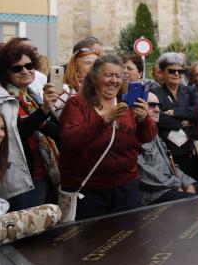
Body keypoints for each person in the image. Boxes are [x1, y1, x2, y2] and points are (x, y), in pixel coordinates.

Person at [59, 56, 157, 219]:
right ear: (95, 77)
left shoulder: (128, 102)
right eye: (109, 75)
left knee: (126, 238)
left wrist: (143, 119)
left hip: (126, 186)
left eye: (118, 76)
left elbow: (148, 137)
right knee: (90, 242)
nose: (114, 80)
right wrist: (104, 119)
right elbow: (70, 140)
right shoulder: (78, 104)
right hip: (88, 188)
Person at [0, 40, 60, 210]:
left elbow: (56, 131)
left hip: (48, 171)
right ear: (5, 73)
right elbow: (18, 132)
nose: (25, 70)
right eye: (17, 68)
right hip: (24, 179)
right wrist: (44, 110)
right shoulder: (3, 99)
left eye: (30, 65)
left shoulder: (33, 95)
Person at [137, 92, 198, 205]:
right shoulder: (133, 135)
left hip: (170, 185)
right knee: (195, 203)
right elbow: (144, 174)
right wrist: (176, 185)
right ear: (138, 108)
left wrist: (187, 183)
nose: (158, 110)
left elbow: (170, 164)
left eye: (159, 106)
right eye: (152, 105)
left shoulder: (155, 134)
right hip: (153, 195)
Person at [150, 53, 198, 184]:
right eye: (172, 71)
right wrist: (183, 122)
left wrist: (174, 112)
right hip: (168, 151)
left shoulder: (190, 91)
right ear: (162, 73)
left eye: (180, 71)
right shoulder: (154, 93)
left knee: (195, 186)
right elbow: (158, 118)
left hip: (191, 149)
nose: (176, 74)